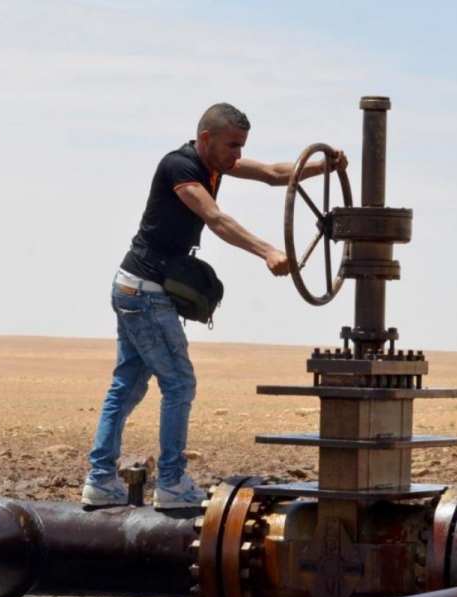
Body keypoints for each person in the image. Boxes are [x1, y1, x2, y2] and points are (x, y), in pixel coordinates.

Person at [81, 102, 348, 509]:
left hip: (134, 286)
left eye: (241, 146)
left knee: (128, 384)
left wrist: (322, 167)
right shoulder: (180, 167)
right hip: (145, 291)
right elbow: (216, 219)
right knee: (179, 383)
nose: (237, 154)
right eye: (232, 145)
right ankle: (170, 482)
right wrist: (267, 251)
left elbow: (274, 174)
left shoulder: (214, 165)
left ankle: (100, 480)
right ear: (206, 138)